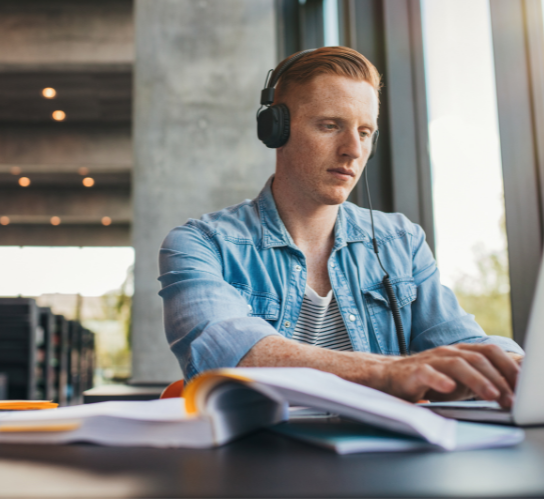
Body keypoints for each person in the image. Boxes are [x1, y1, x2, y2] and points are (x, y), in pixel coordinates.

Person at [159, 47, 523, 408]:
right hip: (261, 460)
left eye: (365, 132)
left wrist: (517, 367)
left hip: (384, 460)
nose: (353, 149)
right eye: (330, 125)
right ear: (277, 131)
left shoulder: (401, 241)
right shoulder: (200, 244)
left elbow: (462, 344)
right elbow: (229, 356)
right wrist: (392, 372)